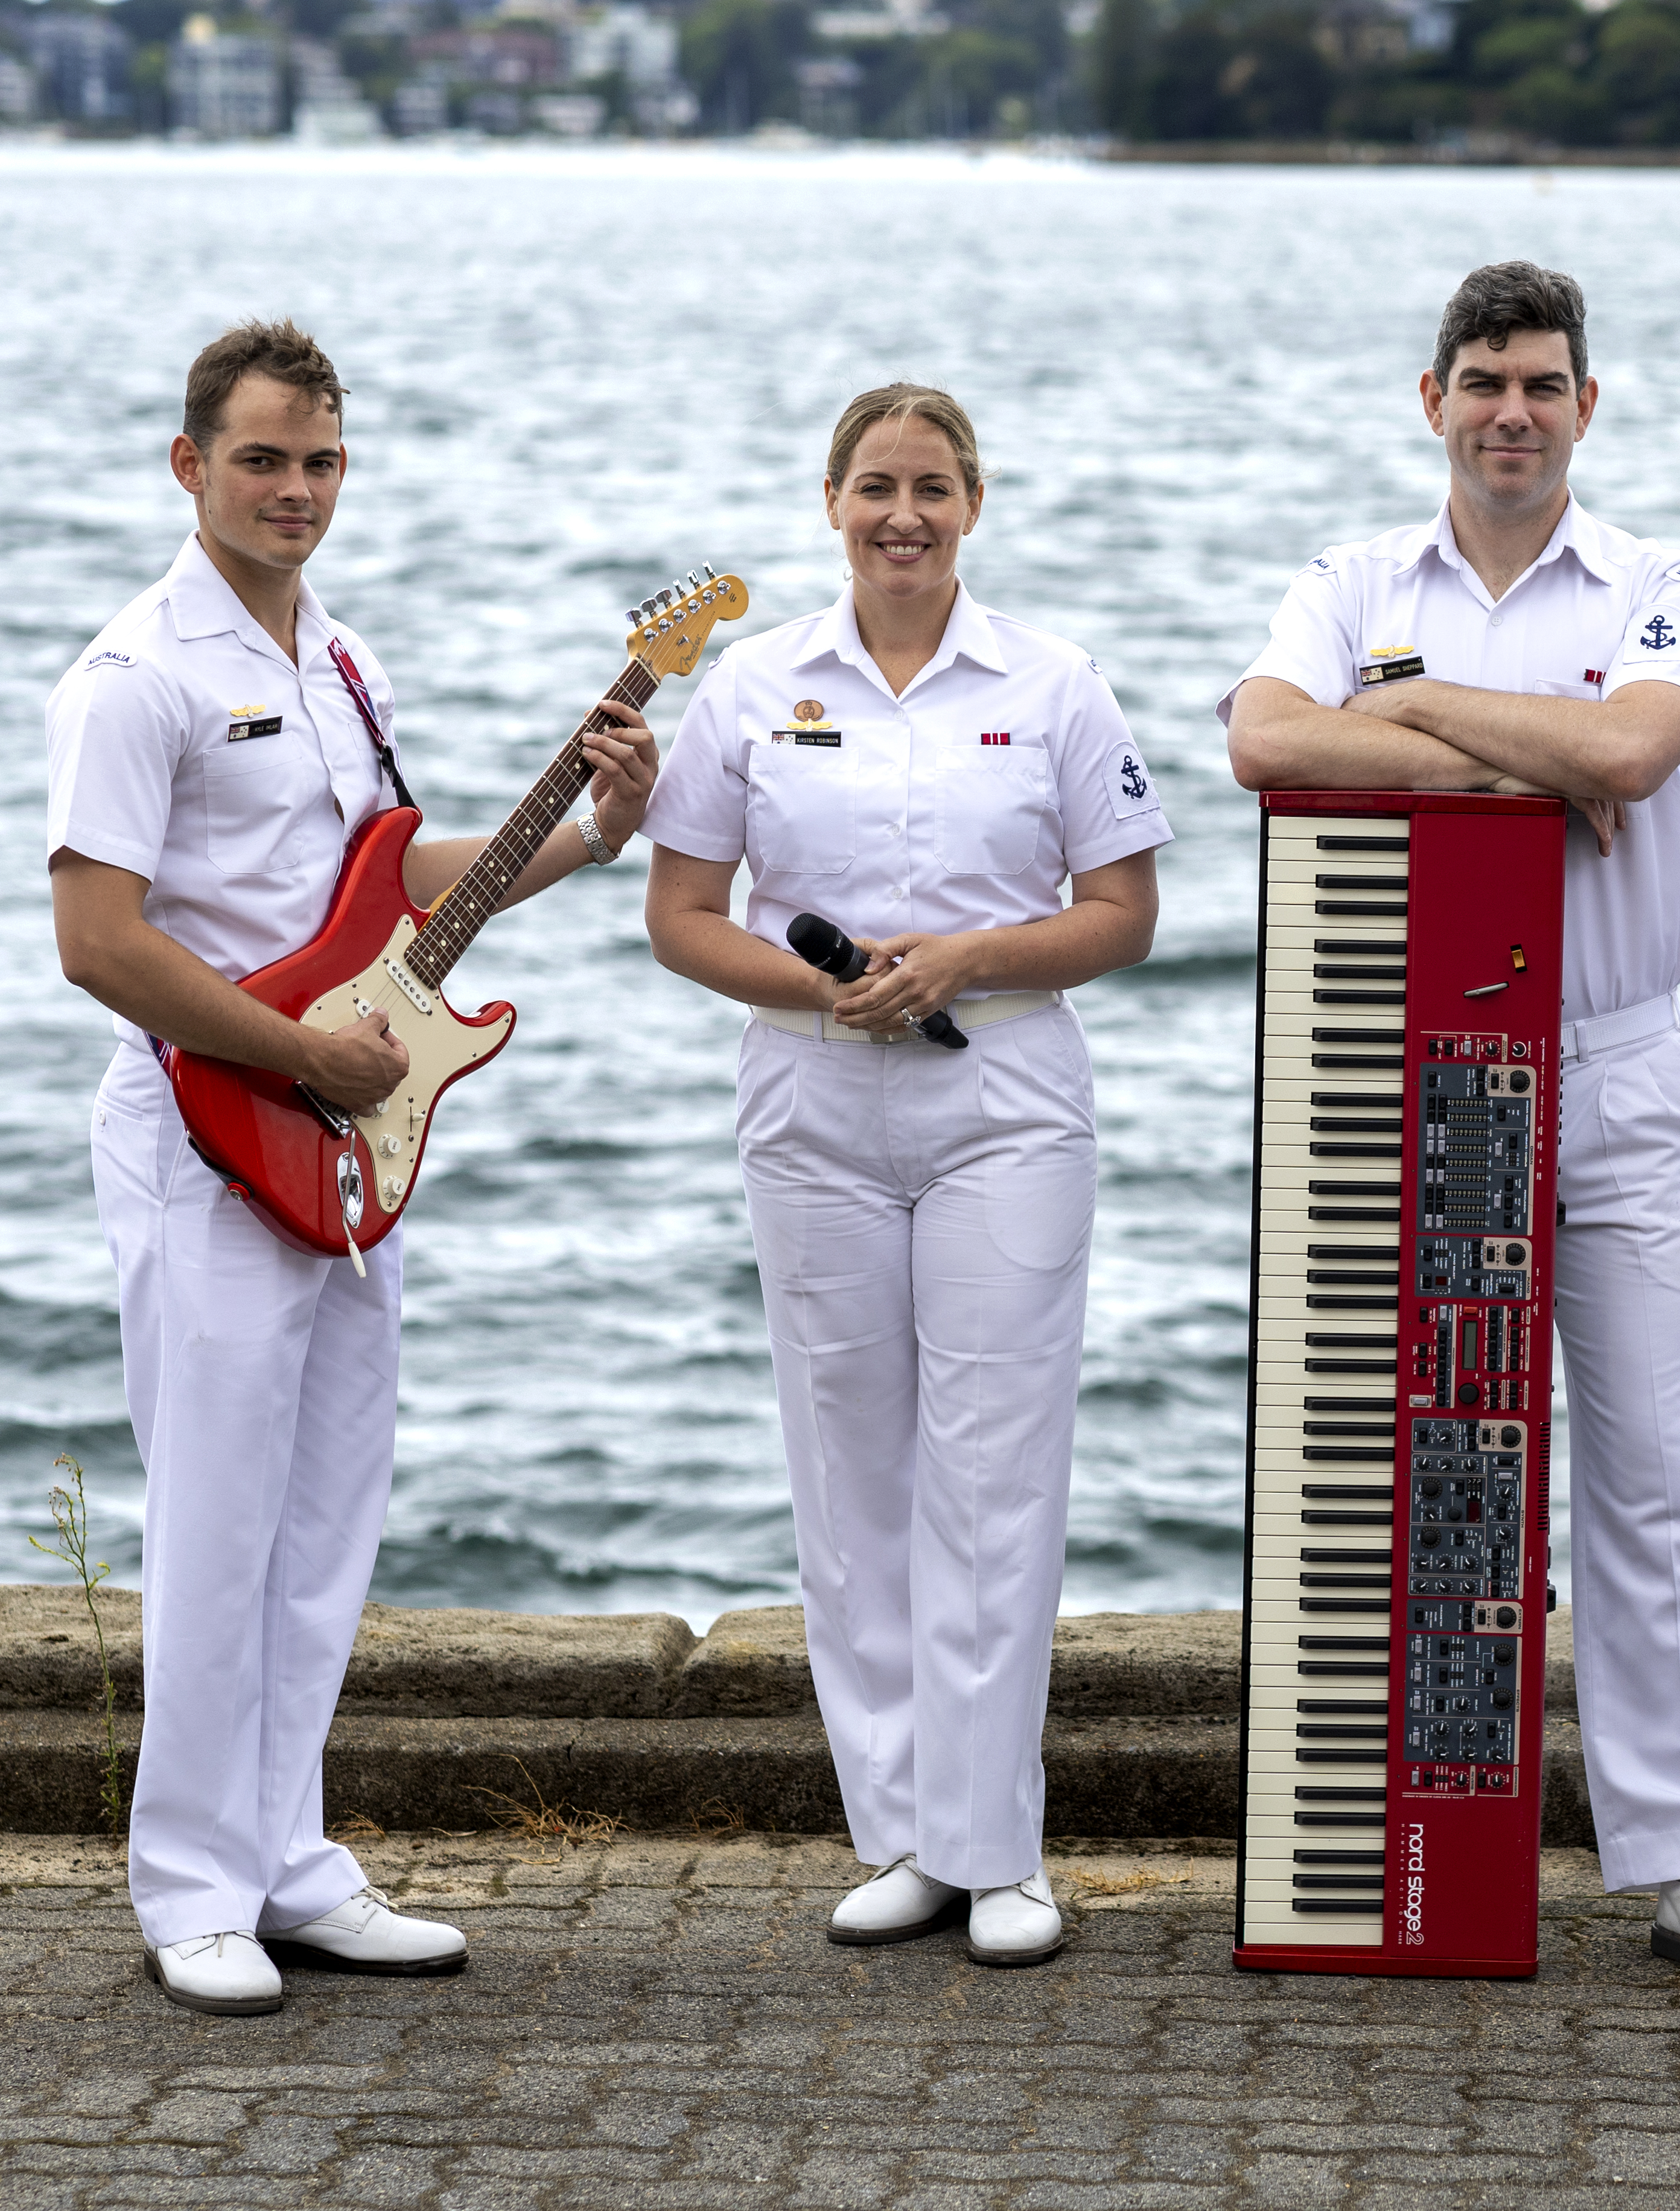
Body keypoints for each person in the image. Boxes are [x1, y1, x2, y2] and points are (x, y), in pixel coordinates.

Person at [1221, 261, 1680, 2001]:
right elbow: (1268, 741)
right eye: (1484, 380)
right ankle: (1391, 1870)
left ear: (1587, 407)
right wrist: (1517, 764)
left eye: (1544, 385)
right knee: (1414, 1470)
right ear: (1434, 399)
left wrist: (1402, 719)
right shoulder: (1350, 579)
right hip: (1402, 1066)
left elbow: (1632, 759)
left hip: (1619, 1060)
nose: (1513, 410)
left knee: (1656, 1476)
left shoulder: (1665, 583)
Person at [46, 320, 660, 2015]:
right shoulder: (131, 677)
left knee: (323, 1525)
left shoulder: (345, 663)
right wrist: (301, 1054)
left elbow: (396, 895)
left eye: (320, 460)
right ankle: (189, 1889)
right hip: (204, 1123)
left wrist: (594, 830)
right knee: (219, 1520)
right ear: (189, 466)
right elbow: (99, 942)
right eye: (262, 458)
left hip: (345, 1135)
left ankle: (291, 1866)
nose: (295, 489)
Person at [644, 384, 1167, 1970]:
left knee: (993, 1477)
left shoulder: (1053, 683)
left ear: (973, 506)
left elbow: (1125, 910)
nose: (904, 517)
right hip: (812, 1098)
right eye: (878, 487)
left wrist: (968, 956)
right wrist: (828, 990)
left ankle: (999, 1849)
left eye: (933, 488)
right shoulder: (750, 686)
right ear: (831, 502)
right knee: (850, 1477)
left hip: (1004, 1090)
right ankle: (905, 1838)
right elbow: (682, 913)